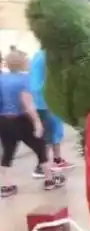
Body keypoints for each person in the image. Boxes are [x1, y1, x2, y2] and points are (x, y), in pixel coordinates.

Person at [0, 51, 65, 197]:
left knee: (7, 153)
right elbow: (27, 104)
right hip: (22, 120)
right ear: (22, 63)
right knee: (40, 148)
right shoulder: (24, 79)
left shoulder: (1, 78)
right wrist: (37, 122)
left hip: (4, 121)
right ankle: (49, 180)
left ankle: (6, 186)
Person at [28, 49, 74, 178]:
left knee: (55, 130)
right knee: (48, 134)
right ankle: (41, 166)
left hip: (43, 98)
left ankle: (57, 160)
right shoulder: (48, 56)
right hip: (46, 100)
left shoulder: (39, 54)